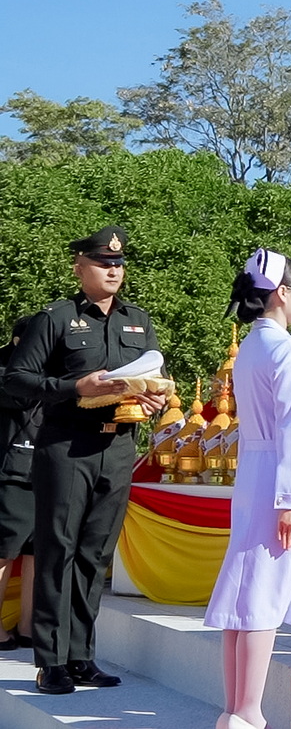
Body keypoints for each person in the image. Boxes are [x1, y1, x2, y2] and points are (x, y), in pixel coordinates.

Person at [5, 226, 166, 694]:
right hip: (66, 445)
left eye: (118, 263)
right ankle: (50, 661)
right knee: (57, 551)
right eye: (103, 263)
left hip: (118, 447)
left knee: (95, 554)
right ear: (80, 268)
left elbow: (153, 376)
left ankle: (81, 657)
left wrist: (155, 398)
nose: (113, 270)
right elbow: (16, 378)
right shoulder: (56, 318)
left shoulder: (138, 320)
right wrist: (74, 386)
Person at [204, 249, 291, 729]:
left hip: (256, 472)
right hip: (279, 474)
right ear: (281, 293)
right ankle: (248, 711)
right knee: (261, 597)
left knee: (246, 592)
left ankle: (235, 708)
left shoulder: (253, 345)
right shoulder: (286, 349)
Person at [0, 315, 44, 651]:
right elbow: (22, 397)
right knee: (4, 551)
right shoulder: (7, 370)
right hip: (11, 470)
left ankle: (28, 625)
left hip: (45, 468)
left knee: (35, 553)